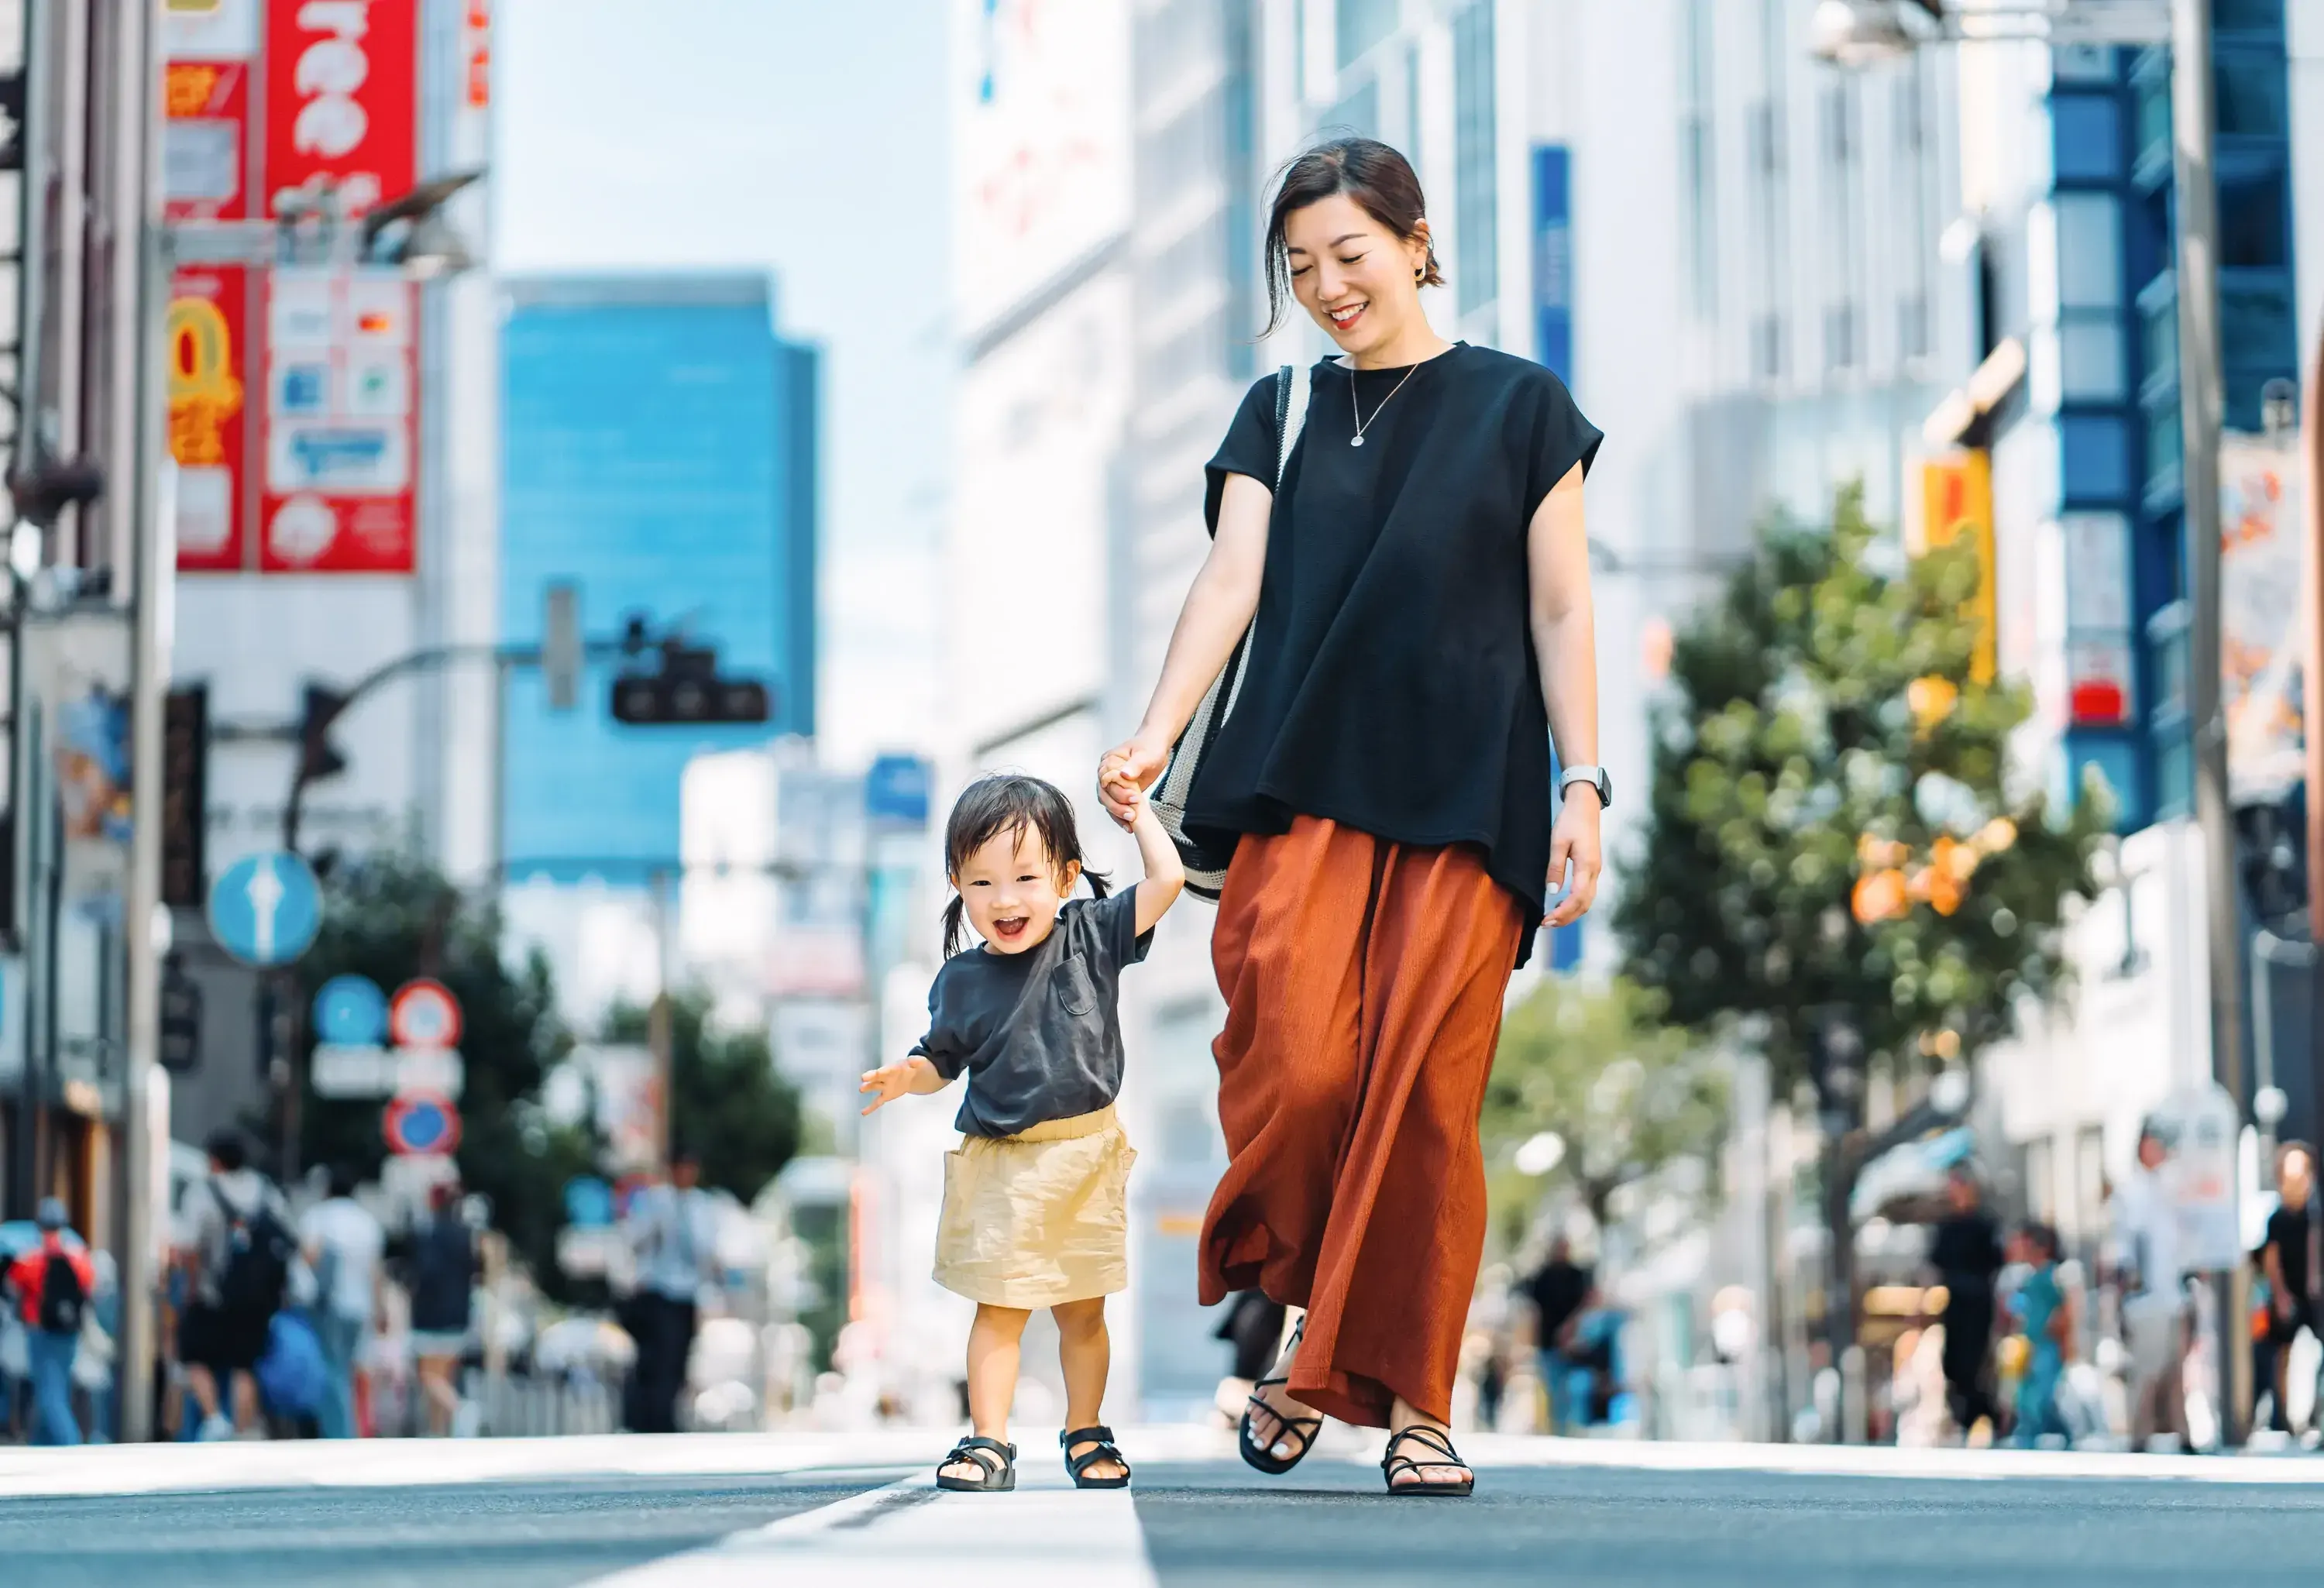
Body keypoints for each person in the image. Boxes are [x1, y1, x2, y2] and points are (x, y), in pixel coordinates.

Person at [1097, 136, 1604, 1500]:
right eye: (1302, 266)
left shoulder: (1523, 410)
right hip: (1301, 787)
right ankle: (1307, 1309)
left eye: (1352, 256)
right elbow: (1229, 579)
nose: (1329, 286)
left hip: (1471, 797)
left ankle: (1413, 1406)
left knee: (1426, 1109)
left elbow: (1561, 608)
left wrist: (1585, 783)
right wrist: (1153, 731)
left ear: (1418, 242)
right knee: (1307, 1072)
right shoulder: (1281, 411)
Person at [860, 772, 1185, 1492]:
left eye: (1026, 877)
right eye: (981, 883)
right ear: (957, 883)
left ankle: (1086, 1428)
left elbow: (1167, 880)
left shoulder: (1094, 935)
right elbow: (938, 1060)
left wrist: (1140, 820)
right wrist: (904, 1076)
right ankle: (988, 1440)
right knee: (999, 1311)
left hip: (1085, 1155)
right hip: (1002, 1162)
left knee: (1082, 1310)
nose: (1004, 900)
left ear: (1067, 876)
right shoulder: (962, 980)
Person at [178, 1129, 291, 1440]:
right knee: (245, 1364)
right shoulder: (267, 1191)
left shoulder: (203, 1192)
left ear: (214, 1160)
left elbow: (189, 1247)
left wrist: (190, 1287)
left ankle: (214, 1418)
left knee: (195, 1357)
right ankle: (241, 1432)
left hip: (211, 1293)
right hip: (258, 1298)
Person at [620, 1146, 717, 1435]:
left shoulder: (702, 1205)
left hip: (688, 1292)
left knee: (679, 1357)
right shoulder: (655, 1201)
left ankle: (669, 1413)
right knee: (657, 1357)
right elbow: (634, 1239)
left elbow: (707, 1250)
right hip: (659, 1289)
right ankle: (650, 1417)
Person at [2112, 1121, 2188, 1449]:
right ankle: (2138, 1435)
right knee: (2146, 1369)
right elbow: (2125, 1250)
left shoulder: (2168, 1186)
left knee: (2176, 1368)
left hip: (2174, 1293)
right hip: (2146, 1296)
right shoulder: (2132, 1192)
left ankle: (2182, 1432)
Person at [299, 1164, 384, 1438]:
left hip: (329, 1304)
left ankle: (339, 1432)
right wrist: (380, 1307)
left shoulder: (319, 1216)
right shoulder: (366, 1221)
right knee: (347, 1368)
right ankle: (345, 1429)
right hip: (360, 1306)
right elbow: (375, 1271)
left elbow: (309, 1256)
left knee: (331, 1370)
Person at [5, 1199, 94, 1445]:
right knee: (57, 1388)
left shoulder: (31, 1258)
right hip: (69, 1332)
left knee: (48, 1395)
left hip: (40, 1331)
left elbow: (13, 1284)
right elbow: (89, 1286)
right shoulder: (79, 1256)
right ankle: (40, 1445)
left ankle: (70, 1443)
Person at [1927, 1166, 2005, 1442]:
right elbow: (1936, 1264)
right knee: (1955, 1363)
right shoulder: (1946, 1227)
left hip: (1979, 1304)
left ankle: (1985, 1416)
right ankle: (1965, 1416)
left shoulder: (1985, 1225)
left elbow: (1996, 1262)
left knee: (1977, 1363)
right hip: (1956, 1304)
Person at [407, 1181, 477, 1437]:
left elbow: (425, 1274)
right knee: (444, 1375)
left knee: (429, 1375)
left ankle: (460, 1409)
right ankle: (439, 1431)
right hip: (459, 1313)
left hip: (432, 1314)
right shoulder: (466, 1234)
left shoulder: (431, 1234)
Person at [2260, 1141, 2321, 1434]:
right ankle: (2281, 1417)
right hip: (2288, 1291)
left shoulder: (2314, 1216)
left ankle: (2313, 1414)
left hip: (2313, 1293)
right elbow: (2272, 1261)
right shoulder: (2277, 1219)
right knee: (2283, 1354)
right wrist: (2281, 1295)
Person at [2009, 1222, 2075, 1449]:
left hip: (2049, 1345)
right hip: (2032, 1343)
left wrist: (2065, 1341)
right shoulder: (2028, 1277)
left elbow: (2065, 1309)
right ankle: (2028, 1435)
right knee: (2028, 1393)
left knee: (2043, 1395)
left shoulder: (2053, 1275)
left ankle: (2055, 1433)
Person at [1524, 1236, 1597, 1434]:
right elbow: (1534, 1313)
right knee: (1555, 1391)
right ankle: (1560, 1430)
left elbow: (1589, 1302)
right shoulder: (1542, 1277)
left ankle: (1574, 1428)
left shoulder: (1577, 1276)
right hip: (1549, 1344)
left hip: (1574, 1344)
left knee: (1574, 1390)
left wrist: (1572, 1328)